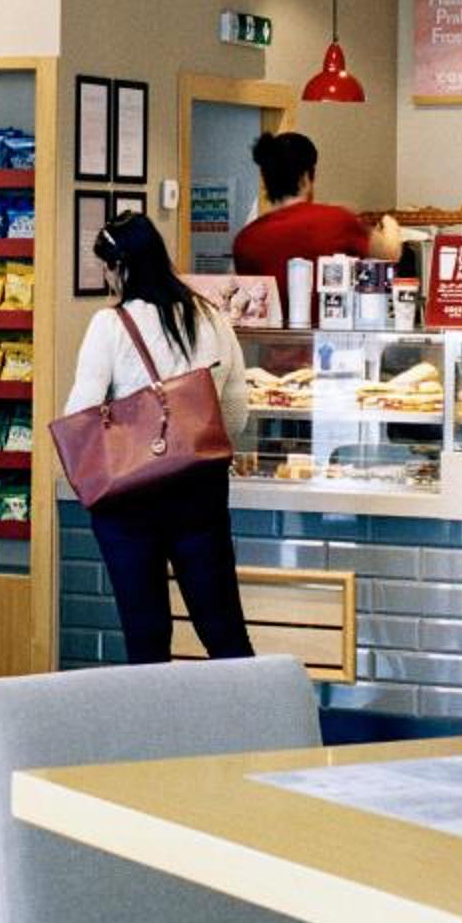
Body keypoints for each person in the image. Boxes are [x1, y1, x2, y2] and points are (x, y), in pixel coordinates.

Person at [65, 208, 254, 662]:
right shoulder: (210, 316)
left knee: (146, 637)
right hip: (200, 492)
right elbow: (236, 410)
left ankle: (153, 712)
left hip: (131, 498)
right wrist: (195, 445)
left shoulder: (110, 325)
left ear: (120, 267)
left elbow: (81, 414)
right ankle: (251, 708)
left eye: (107, 269)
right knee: (224, 632)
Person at [228, 130, 402, 310]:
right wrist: (390, 222)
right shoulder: (337, 221)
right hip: (332, 327)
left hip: (271, 329)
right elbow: (389, 253)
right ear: (305, 178)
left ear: (267, 181)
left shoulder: (245, 240)